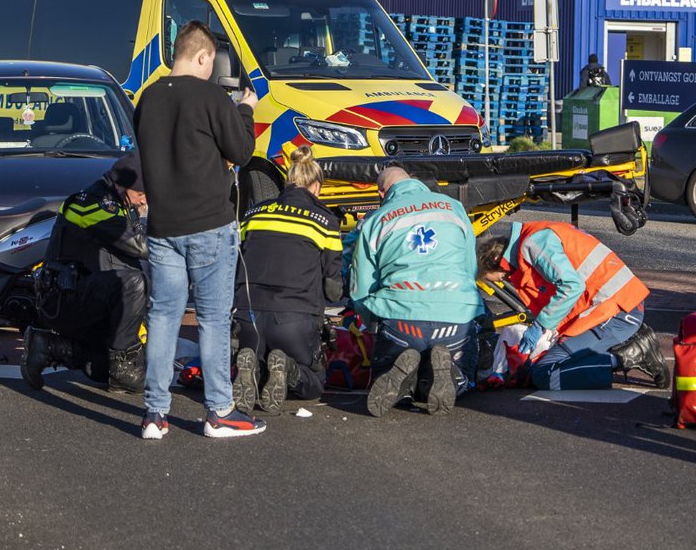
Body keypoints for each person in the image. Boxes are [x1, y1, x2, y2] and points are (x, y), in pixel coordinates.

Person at [134, 19, 265, 440]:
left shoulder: (148, 98)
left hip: (163, 226)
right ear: (203, 56)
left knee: (163, 316)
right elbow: (242, 151)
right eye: (211, 62)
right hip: (209, 224)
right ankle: (219, 411)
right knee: (212, 319)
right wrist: (245, 109)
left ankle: (155, 415)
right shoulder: (211, 97)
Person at [350, 166, 484, 417]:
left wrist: (371, 324)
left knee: (388, 369)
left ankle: (403, 382)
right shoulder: (454, 208)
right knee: (463, 378)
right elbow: (469, 268)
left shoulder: (376, 220)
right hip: (456, 319)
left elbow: (361, 288)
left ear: (381, 193)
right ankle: (452, 375)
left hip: (401, 321)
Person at [474, 221, 669, 391]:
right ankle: (625, 346)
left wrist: (540, 326)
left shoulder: (534, 245)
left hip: (616, 310)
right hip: (614, 306)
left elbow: (571, 286)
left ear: (498, 262)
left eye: (503, 277)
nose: (507, 279)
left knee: (545, 374)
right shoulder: (533, 239)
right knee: (548, 364)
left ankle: (627, 356)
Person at [231, 146, 344, 414]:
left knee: (256, 358)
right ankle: (290, 369)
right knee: (315, 381)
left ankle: (252, 367)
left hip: (248, 317)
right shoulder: (325, 221)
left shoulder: (254, 213)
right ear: (316, 186)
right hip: (294, 320)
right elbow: (333, 288)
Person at [21, 154, 148, 393]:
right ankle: (122, 364)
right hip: (65, 299)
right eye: (141, 193)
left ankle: (49, 346)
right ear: (121, 185)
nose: (144, 200)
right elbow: (140, 246)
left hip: (88, 299)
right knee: (134, 283)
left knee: (104, 369)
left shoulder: (121, 203)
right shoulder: (89, 204)